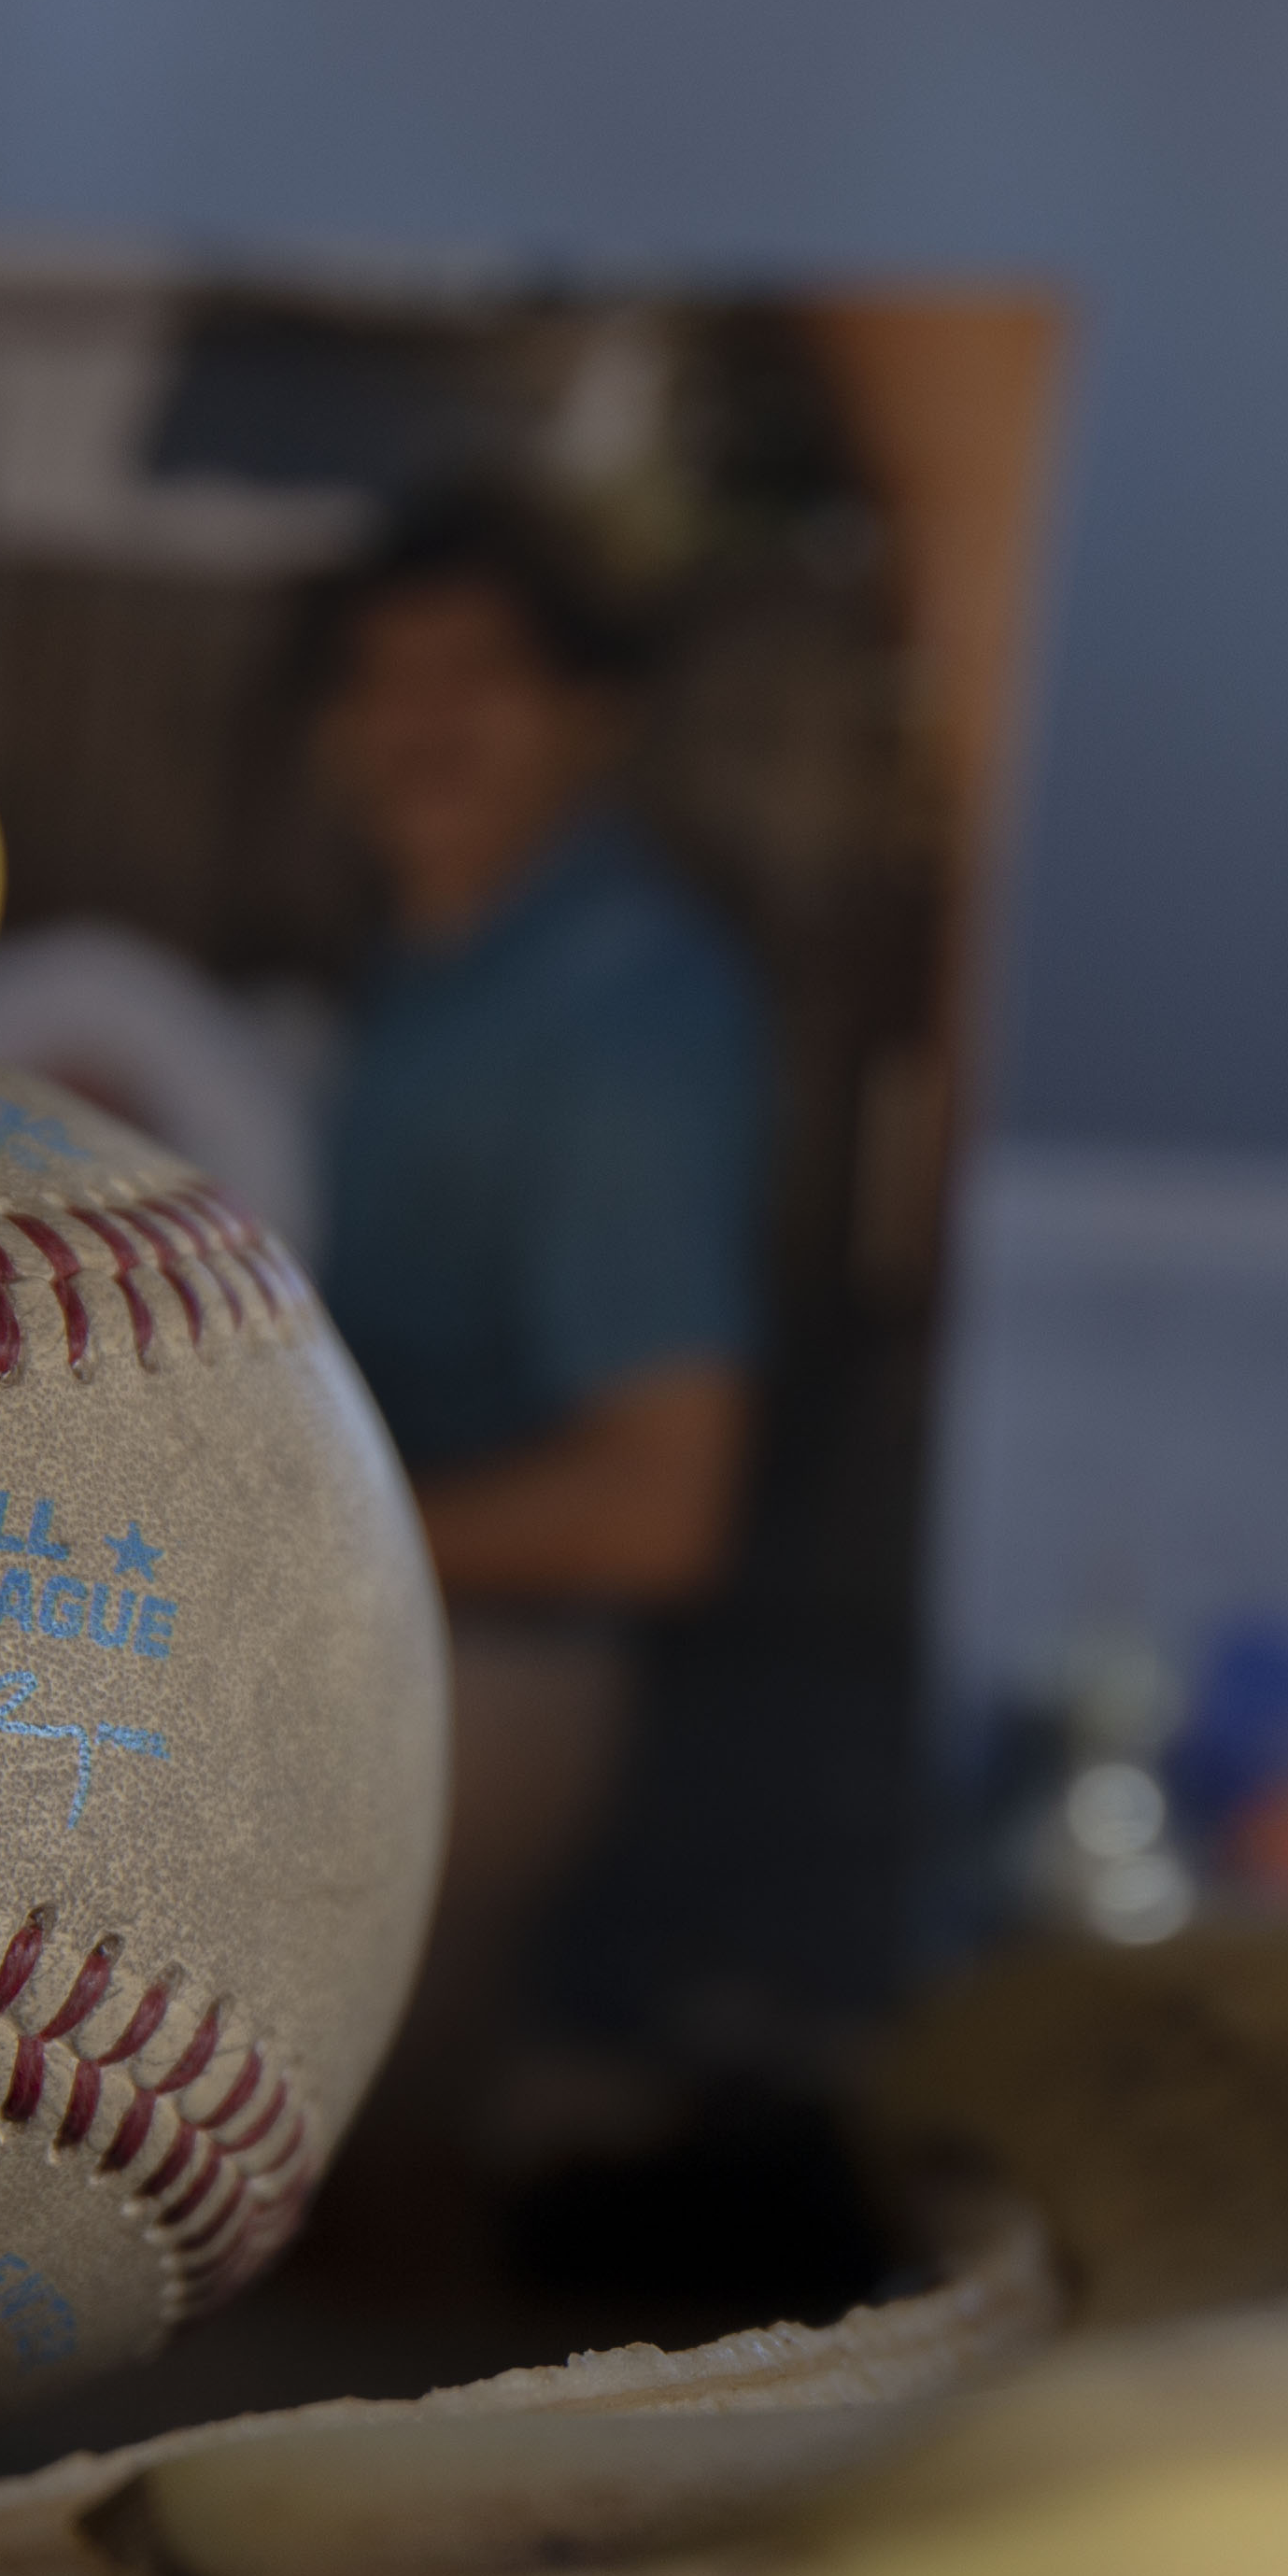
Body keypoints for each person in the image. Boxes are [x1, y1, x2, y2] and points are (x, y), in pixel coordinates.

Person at [293, 496, 776, 2263]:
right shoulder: (432, 966)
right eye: (380, 676)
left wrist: (255, 1548)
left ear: (591, 715)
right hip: (374, 1629)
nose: (419, 718)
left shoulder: (622, 1004)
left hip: (496, 1678)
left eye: (476, 674)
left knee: (365, 2241)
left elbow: (658, 1507)